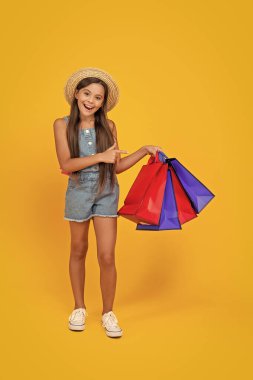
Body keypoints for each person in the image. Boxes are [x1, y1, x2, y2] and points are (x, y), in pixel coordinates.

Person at [53, 67, 163, 338]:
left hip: (106, 192)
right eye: (87, 93)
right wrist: (100, 157)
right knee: (78, 250)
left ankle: (108, 313)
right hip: (78, 192)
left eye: (98, 97)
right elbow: (66, 163)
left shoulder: (109, 126)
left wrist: (143, 150)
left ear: (104, 103)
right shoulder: (62, 124)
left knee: (107, 255)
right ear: (77, 94)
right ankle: (79, 307)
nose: (91, 100)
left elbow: (114, 166)